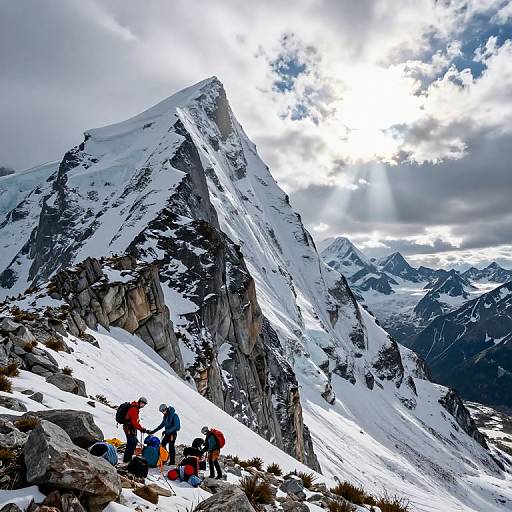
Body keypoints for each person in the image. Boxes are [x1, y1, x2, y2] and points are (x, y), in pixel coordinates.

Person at [122, 397, 148, 463]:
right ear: (139, 402)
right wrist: (141, 429)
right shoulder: (134, 409)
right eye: (142, 404)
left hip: (129, 428)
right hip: (129, 428)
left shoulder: (135, 408)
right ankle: (127, 459)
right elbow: (134, 422)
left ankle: (127, 459)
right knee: (131, 443)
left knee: (132, 443)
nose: (143, 406)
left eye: (144, 405)